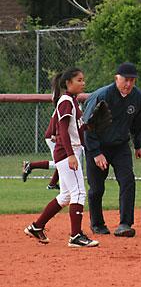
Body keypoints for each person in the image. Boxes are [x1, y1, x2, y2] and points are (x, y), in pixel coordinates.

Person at [24, 67, 99, 247]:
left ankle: (36, 226)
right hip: (67, 152)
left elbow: (77, 129)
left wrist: (91, 125)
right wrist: (71, 155)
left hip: (70, 151)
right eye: (79, 80)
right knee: (79, 192)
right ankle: (75, 236)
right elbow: (62, 130)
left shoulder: (73, 101)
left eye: (83, 79)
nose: (83, 83)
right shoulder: (66, 101)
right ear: (68, 83)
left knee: (65, 196)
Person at [83, 62, 141, 237]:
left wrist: (138, 144)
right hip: (97, 145)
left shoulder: (137, 97)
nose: (129, 84)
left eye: (132, 80)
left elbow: (139, 122)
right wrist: (96, 153)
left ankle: (125, 224)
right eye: (125, 80)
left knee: (127, 181)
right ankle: (97, 224)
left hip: (120, 146)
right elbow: (88, 127)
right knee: (96, 188)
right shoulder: (102, 96)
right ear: (116, 78)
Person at [22, 113, 60, 190]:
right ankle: (31, 165)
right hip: (54, 137)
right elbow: (56, 120)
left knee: (62, 163)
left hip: (55, 136)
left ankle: (52, 184)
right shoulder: (65, 102)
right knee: (62, 163)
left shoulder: (67, 103)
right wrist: (53, 134)